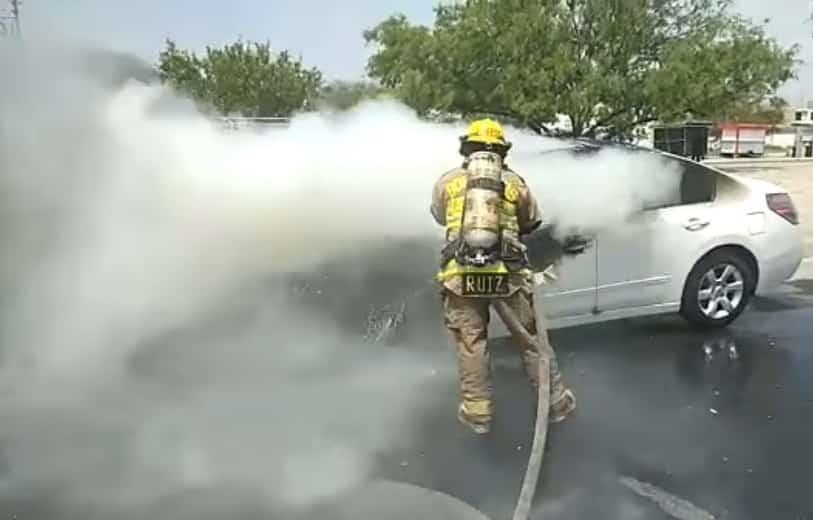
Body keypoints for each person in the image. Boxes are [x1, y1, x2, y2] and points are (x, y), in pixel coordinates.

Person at [430, 118, 576, 435]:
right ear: (501, 151)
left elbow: (439, 215)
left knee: (472, 343)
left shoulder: (448, 181)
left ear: (466, 149)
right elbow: (532, 221)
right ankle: (556, 404)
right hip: (506, 274)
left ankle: (477, 414)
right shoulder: (515, 183)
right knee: (530, 340)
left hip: (461, 273)